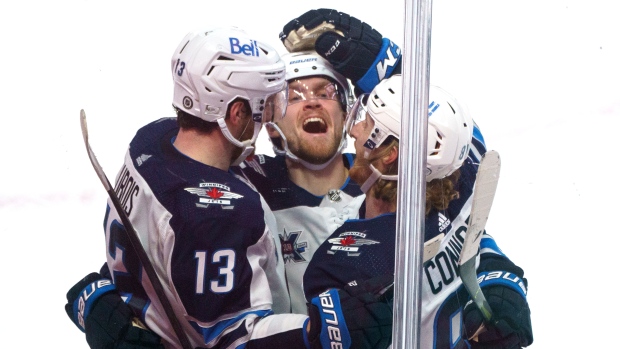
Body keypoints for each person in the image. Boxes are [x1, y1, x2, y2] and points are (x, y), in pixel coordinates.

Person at [65, 27, 393, 349]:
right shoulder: (238, 189)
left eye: (326, 92)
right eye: (292, 97)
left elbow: (437, 156)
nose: (312, 104)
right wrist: (99, 295)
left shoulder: (390, 179)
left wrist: (388, 67)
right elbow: (169, 244)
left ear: (349, 110)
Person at [303, 75, 534, 348]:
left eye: (366, 124)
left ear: (388, 154)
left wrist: (501, 287)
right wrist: (505, 284)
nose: (354, 131)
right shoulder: (456, 200)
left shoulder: (338, 260)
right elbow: (475, 244)